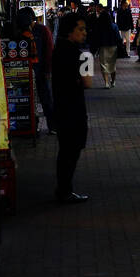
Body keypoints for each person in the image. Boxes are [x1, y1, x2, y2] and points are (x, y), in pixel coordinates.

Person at [50, 12, 93, 203]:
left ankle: (63, 189)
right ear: (70, 31)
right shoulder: (81, 54)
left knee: (65, 150)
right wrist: (88, 61)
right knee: (71, 150)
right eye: (80, 29)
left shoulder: (58, 50)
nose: (84, 33)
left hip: (60, 105)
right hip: (73, 107)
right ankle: (64, 191)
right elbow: (88, 83)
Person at [18, 7, 56, 135]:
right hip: (26, 71)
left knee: (46, 98)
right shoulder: (22, 31)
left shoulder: (42, 30)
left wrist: (47, 70)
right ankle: (33, 126)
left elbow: (49, 50)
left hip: (41, 71)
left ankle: (53, 126)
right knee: (30, 100)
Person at [90, 3, 122, 88]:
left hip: (103, 47)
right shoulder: (114, 26)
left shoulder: (99, 26)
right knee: (112, 64)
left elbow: (96, 37)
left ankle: (106, 83)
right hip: (113, 47)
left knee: (104, 65)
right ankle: (113, 81)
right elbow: (118, 38)